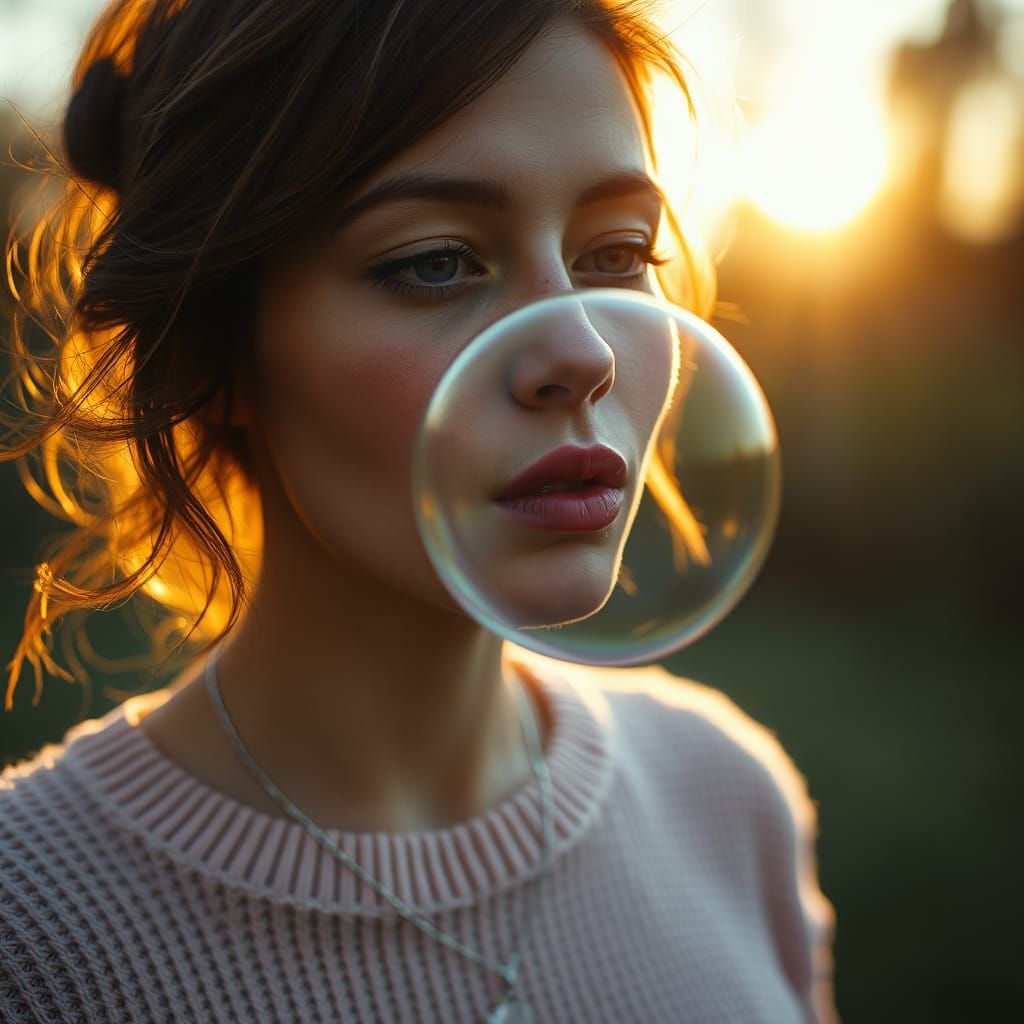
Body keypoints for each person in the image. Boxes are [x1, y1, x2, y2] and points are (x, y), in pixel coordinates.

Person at [0, 1, 837, 1020]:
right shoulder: (29, 935)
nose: (584, 349)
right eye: (436, 261)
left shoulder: (726, 799)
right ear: (206, 351)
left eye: (617, 253)